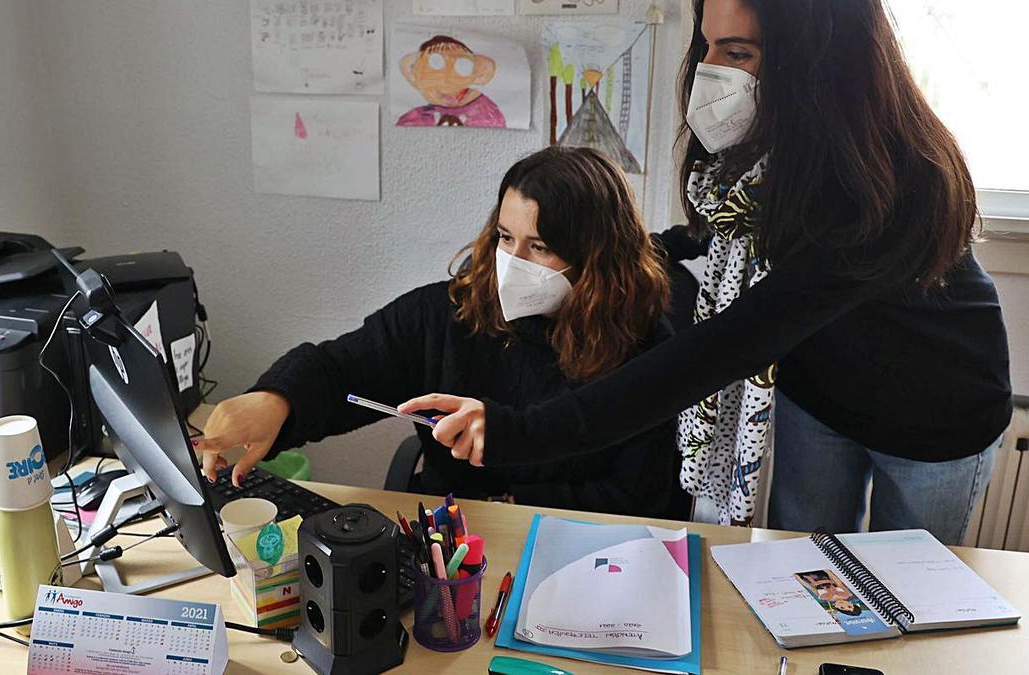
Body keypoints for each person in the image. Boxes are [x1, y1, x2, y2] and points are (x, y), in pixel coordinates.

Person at [400, 0, 1012, 545]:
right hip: (823, 392)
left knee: (905, 588)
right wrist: (616, 252)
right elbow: (721, 235)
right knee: (812, 571)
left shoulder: (880, 191)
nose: (710, 70)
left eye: (738, 51)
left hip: (932, 405)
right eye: (707, 45)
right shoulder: (770, 156)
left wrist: (517, 433)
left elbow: (710, 355)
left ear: (816, 60)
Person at [195, 146, 690, 518]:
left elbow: (640, 496)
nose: (509, 263)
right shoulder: (449, 312)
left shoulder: (644, 345)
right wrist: (276, 400)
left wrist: (508, 500)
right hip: (453, 540)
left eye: (539, 247)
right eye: (504, 237)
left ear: (597, 258)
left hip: (579, 548)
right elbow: (340, 369)